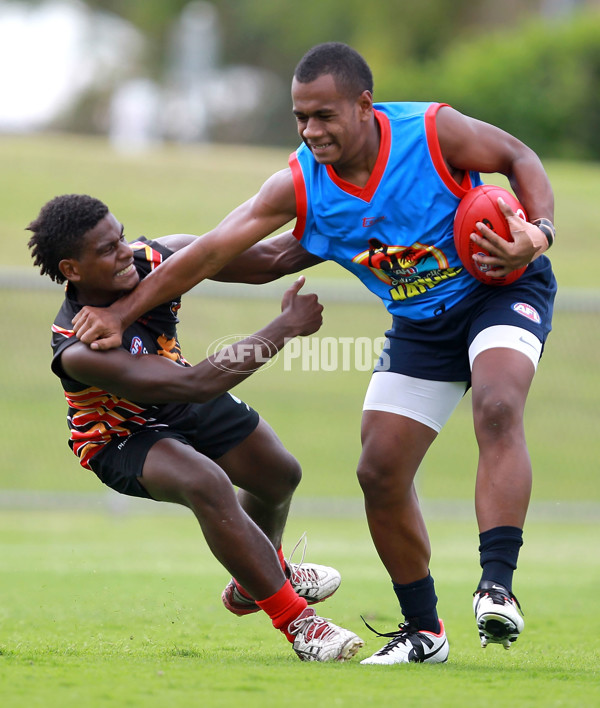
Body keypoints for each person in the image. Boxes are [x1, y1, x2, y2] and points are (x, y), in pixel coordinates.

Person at [71, 42, 557, 664]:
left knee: (495, 406)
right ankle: (423, 632)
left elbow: (518, 155)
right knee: (377, 471)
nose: (310, 129)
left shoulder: (432, 131)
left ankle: (497, 588)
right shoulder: (301, 185)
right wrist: (124, 306)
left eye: (324, 115)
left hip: (501, 290)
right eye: (301, 116)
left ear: (363, 105)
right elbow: (227, 251)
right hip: (420, 324)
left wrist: (535, 236)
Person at [26, 193, 365, 663]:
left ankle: (260, 577)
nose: (125, 251)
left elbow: (270, 258)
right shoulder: (79, 349)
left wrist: (361, 226)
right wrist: (284, 327)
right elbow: (196, 383)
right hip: (119, 435)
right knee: (206, 482)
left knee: (279, 474)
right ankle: (300, 623)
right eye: (106, 250)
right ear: (72, 269)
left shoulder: (158, 257)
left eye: (121, 236)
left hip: (179, 401)